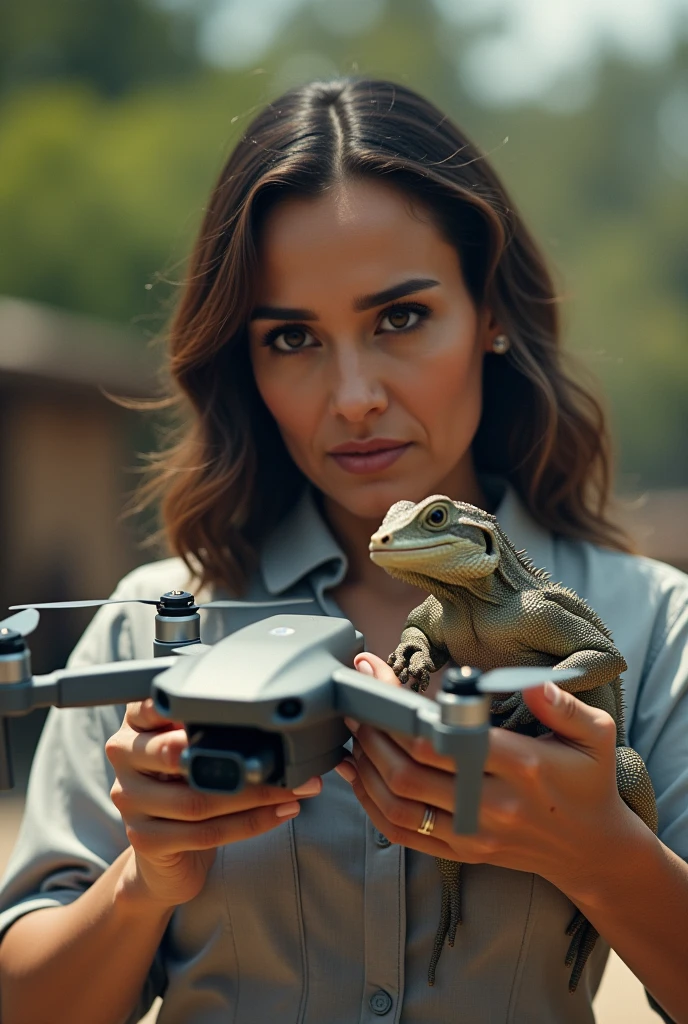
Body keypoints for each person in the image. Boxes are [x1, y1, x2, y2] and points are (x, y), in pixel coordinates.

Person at [0, 77, 686, 1024]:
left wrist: (600, 851)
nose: (353, 393)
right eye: (292, 337)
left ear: (490, 312)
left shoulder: (650, 621)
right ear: (245, 361)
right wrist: (144, 879)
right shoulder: (150, 629)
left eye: (400, 318)